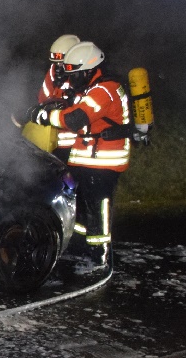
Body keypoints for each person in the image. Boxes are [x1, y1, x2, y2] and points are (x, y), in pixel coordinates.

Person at [27, 40, 130, 275]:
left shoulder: (105, 90)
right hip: (86, 158)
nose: (71, 80)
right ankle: (80, 248)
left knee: (98, 208)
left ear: (89, 70)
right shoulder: (91, 89)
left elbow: (75, 119)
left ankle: (100, 256)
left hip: (104, 161)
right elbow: (63, 105)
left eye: (75, 74)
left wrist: (44, 117)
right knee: (82, 208)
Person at [36, 34, 81, 163]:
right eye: (56, 62)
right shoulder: (54, 71)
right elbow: (43, 99)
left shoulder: (83, 75)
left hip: (78, 142)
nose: (59, 66)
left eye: (62, 62)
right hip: (54, 139)